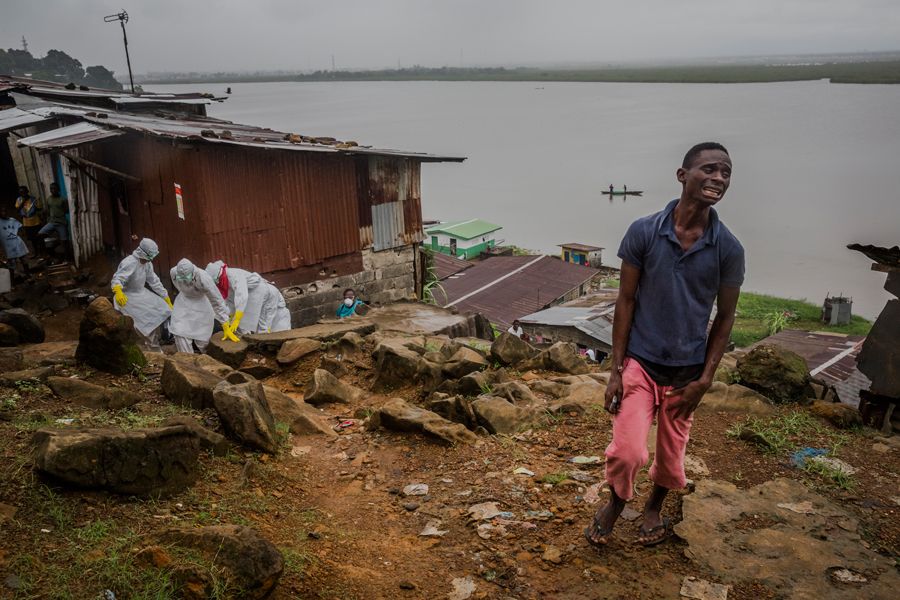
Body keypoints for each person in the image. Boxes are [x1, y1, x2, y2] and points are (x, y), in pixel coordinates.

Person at [584, 142, 744, 549]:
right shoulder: (644, 232)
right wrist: (616, 370)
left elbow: (725, 318)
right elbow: (626, 300)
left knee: (672, 457)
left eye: (725, 172)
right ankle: (617, 502)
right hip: (641, 363)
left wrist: (705, 379)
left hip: (687, 374)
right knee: (628, 452)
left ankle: (654, 507)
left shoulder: (728, 248)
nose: (719, 179)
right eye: (709, 169)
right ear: (682, 175)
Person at [110, 238, 173, 350]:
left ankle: (165, 336)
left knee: (164, 309)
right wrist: (118, 291)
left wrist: (165, 296)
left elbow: (154, 280)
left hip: (141, 293)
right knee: (144, 323)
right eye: (149, 257)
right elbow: (117, 279)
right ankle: (153, 348)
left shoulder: (147, 264)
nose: (150, 259)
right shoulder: (129, 262)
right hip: (127, 297)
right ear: (142, 252)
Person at [169, 258, 230, 354]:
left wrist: (225, 322)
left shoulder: (204, 278)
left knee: (202, 336)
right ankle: (186, 361)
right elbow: (178, 286)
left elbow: (216, 299)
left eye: (187, 278)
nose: (185, 281)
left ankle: (208, 359)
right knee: (179, 331)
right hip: (183, 302)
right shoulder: (173, 272)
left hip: (202, 304)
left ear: (193, 273)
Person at [204, 260, 268, 338]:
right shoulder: (223, 283)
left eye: (216, 281)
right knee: (244, 325)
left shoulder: (234, 275)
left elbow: (241, 296)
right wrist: (230, 317)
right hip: (247, 295)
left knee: (256, 324)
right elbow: (229, 300)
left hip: (256, 292)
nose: (216, 283)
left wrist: (237, 318)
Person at [38, 183, 71, 261]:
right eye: (51, 189)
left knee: (65, 242)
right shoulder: (49, 199)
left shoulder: (63, 199)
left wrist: (59, 214)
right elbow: (48, 211)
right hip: (52, 222)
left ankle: (67, 258)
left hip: (61, 222)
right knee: (40, 235)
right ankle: (49, 255)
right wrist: (46, 219)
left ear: (58, 190)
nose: (53, 190)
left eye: (54, 189)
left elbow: (66, 210)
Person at [0, 205, 29, 277]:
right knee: (11, 263)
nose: (3, 213)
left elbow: (21, 229)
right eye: (1, 211)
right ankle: (12, 281)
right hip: (8, 246)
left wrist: (21, 236)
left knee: (23, 259)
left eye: (5, 211)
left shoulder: (12, 220)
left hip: (17, 243)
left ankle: (28, 275)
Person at [14, 186, 42, 257]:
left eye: (24, 192)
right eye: (21, 193)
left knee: (39, 238)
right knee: (32, 240)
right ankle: (36, 253)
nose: (23, 194)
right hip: (27, 223)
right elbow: (17, 209)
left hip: (36, 222)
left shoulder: (33, 199)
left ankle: (42, 253)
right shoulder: (19, 200)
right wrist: (23, 201)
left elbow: (40, 208)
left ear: (27, 191)